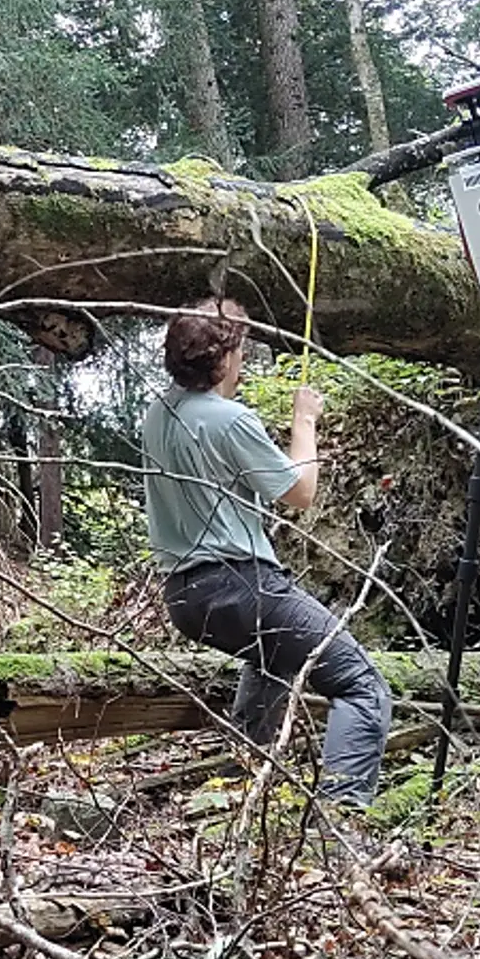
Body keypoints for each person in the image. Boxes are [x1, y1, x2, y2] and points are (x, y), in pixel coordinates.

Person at [141, 300, 391, 806]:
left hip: (186, 598)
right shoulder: (230, 419)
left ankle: (236, 794)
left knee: (274, 659)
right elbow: (300, 492)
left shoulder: (157, 414)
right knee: (363, 687)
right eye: (241, 347)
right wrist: (305, 421)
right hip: (239, 585)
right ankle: (341, 816)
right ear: (225, 357)